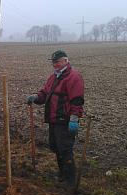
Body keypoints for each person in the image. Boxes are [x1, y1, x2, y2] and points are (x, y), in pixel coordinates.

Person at [26, 50, 84, 187]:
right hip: (53, 119)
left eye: (57, 62)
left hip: (65, 121)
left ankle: (70, 182)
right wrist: (36, 97)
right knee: (56, 147)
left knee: (65, 149)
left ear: (66, 61)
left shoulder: (73, 77)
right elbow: (45, 93)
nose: (55, 65)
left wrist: (74, 118)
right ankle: (62, 175)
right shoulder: (54, 77)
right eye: (53, 62)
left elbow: (77, 100)